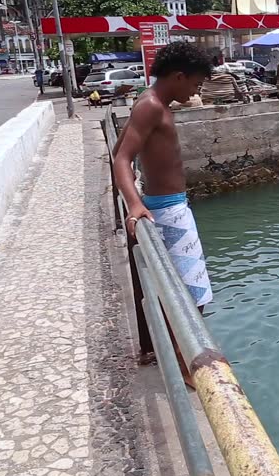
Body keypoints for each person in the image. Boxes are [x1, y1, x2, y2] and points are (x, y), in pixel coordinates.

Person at [112, 42, 214, 387]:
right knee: (191, 292)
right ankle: (186, 365)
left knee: (182, 288)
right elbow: (121, 158)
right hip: (168, 209)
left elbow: (117, 148)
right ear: (179, 75)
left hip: (171, 203)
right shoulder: (151, 106)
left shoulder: (151, 101)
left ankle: (177, 354)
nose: (196, 90)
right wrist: (135, 203)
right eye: (196, 84)